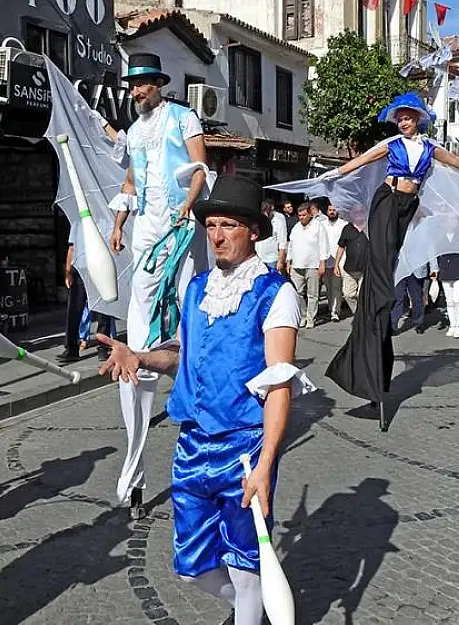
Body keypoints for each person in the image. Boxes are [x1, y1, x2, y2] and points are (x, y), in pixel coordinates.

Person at [96, 174, 308, 625]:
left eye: (228, 225)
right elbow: (181, 356)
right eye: (211, 226)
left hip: (245, 447)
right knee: (191, 569)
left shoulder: (276, 293)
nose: (216, 236)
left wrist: (267, 466)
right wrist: (139, 356)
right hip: (192, 444)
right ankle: (252, 610)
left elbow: (278, 384)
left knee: (245, 569)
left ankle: (251, 610)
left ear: (253, 230)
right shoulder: (196, 290)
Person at [317, 92, 459, 415]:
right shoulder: (391, 144)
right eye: (399, 118)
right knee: (381, 261)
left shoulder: (431, 148)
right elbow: (361, 161)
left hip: (408, 205)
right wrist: (334, 174)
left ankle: (382, 298)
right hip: (387, 201)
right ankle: (378, 301)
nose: (403, 122)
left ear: (417, 118)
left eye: (407, 117)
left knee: (390, 261)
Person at [107, 53, 212, 518]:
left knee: (182, 298)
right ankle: (141, 352)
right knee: (141, 305)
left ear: (158, 85)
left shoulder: (182, 116)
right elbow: (130, 180)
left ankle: (182, 360)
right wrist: (118, 221)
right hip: (145, 227)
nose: (136, 92)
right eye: (132, 87)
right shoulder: (131, 132)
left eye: (143, 85)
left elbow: (200, 166)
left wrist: (189, 205)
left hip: (178, 224)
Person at [61, 230, 115, 363]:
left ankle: (103, 347)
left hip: (99, 268)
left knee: (103, 310)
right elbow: (72, 248)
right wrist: (68, 271)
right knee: (74, 309)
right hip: (81, 269)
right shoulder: (77, 223)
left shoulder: (103, 222)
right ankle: (71, 348)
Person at [287, 202, 330, 328]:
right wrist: (289, 261)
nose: (301, 217)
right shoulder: (296, 227)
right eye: (299, 215)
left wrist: (322, 263)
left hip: (313, 265)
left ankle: (311, 318)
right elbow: (291, 244)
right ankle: (304, 315)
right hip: (297, 265)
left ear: (310, 214)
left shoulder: (318, 226)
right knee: (298, 292)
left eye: (303, 215)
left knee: (313, 294)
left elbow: (323, 245)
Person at [432, 253, 459, 338]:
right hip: (445, 269)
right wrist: (434, 269)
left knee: (457, 299)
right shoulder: (440, 240)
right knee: (449, 300)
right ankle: (452, 324)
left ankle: (458, 326)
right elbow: (435, 253)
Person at [335, 221, 369, 318]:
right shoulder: (347, 228)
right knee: (348, 294)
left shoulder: (369, 227)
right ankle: (357, 312)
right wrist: (336, 264)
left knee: (362, 295)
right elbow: (341, 247)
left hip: (366, 268)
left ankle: (363, 316)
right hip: (350, 268)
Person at [323, 204, 348, 322]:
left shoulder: (343, 224)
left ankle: (335, 311)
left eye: (334, 210)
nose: (332, 212)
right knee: (328, 287)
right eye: (330, 210)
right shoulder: (322, 225)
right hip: (326, 260)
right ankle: (331, 307)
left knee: (337, 287)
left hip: (340, 261)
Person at [254, 199, 289, 273]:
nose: (266, 214)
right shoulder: (257, 221)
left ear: (272, 209)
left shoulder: (278, 221)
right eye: (264, 211)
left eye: (268, 211)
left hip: (272, 260)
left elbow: (282, 243)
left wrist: (280, 261)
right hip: (258, 260)